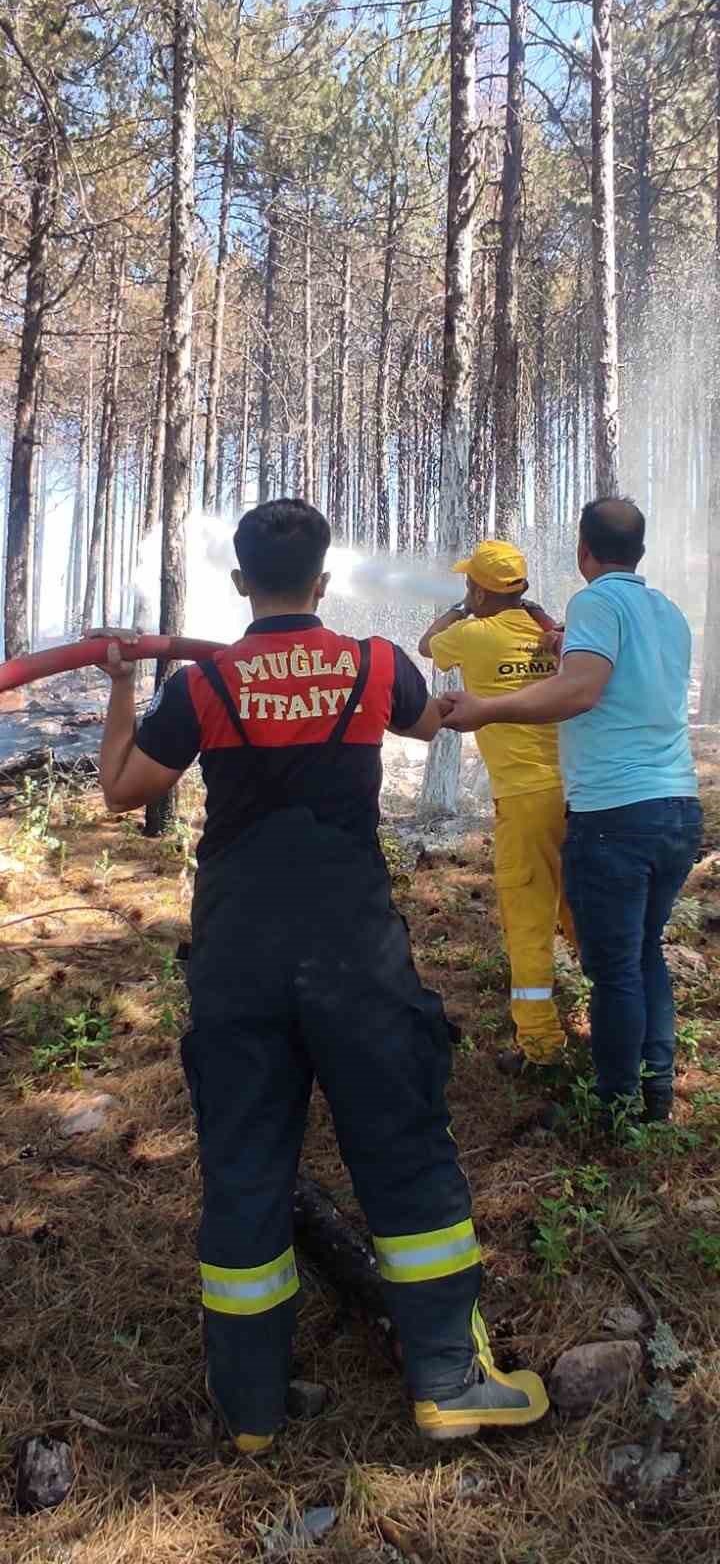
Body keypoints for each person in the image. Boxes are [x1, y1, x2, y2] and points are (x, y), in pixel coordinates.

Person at [95, 499, 548, 1453]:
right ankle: (448, 1381)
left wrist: (126, 685)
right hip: (356, 948)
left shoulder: (210, 683)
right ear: (327, 580)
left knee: (246, 1162)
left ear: (238, 582)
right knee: (405, 1147)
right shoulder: (375, 663)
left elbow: (125, 791)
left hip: (238, 952)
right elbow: (429, 724)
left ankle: (250, 1409)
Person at [442, 498, 702, 1123]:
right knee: (642, 952)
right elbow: (620, 681)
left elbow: (582, 690)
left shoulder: (594, 601)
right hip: (677, 805)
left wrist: (487, 709)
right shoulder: (666, 611)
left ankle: (614, 1105)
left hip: (617, 812)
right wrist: (561, 644)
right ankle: (656, 1091)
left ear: (585, 551)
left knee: (612, 967)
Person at [419, 539, 574, 1074]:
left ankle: (540, 1048)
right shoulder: (551, 633)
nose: (465, 590)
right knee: (584, 914)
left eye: (469, 584)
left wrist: (460, 608)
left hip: (526, 799)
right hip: (580, 793)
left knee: (528, 921)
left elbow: (426, 645)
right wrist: (531, 609)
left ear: (480, 590)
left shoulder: (470, 632)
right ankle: (622, 1025)